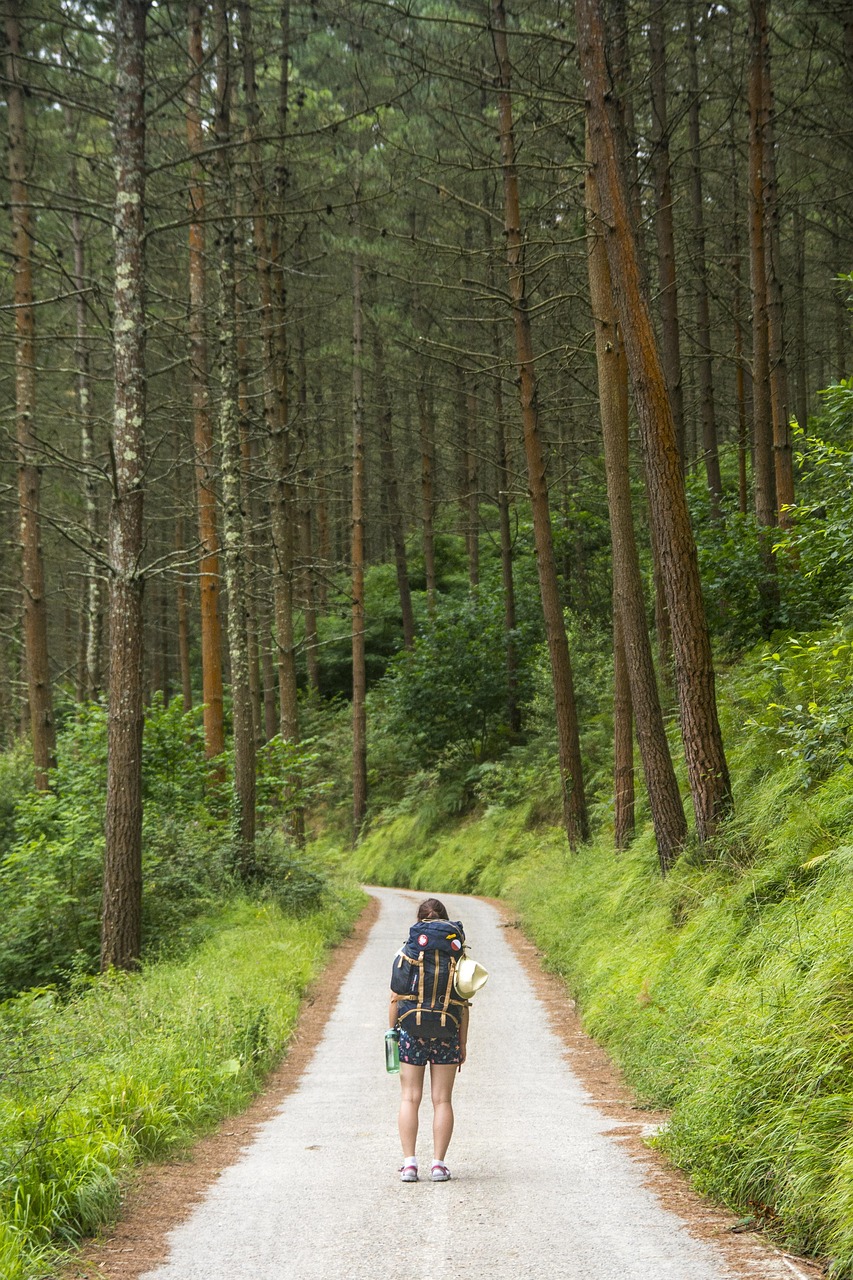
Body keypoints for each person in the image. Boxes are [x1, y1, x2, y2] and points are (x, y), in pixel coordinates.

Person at [388, 897, 469, 1184]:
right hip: (448, 1031)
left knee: (410, 1097)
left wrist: (393, 1034)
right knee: (442, 1100)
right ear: (445, 919)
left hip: (412, 1030)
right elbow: (463, 1003)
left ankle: (409, 1164)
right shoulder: (456, 954)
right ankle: (438, 1165)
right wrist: (462, 1043)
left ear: (419, 920)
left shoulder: (407, 951)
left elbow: (395, 998)